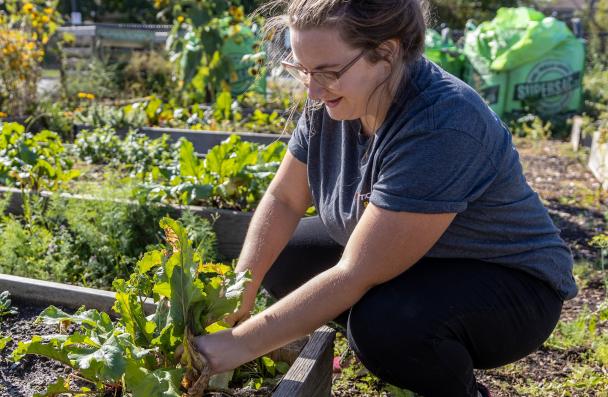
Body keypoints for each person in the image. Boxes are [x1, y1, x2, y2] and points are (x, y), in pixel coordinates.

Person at [192, 1, 578, 396]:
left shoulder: (441, 124)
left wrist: (228, 349)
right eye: (301, 69)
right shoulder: (331, 99)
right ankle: (413, 344)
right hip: (418, 259)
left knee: (385, 327)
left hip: (507, 285)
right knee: (286, 257)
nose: (311, 88)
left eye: (327, 72)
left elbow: (355, 272)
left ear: (387, 54)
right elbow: (285, 199)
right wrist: (238, 291)